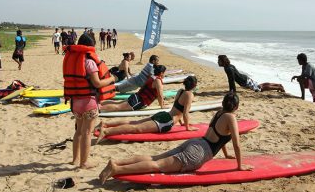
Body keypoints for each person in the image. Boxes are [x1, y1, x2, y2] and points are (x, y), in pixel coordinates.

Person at [99, 92, 253, 184]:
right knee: (158, 165)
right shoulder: (231, 117)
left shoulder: (219, 112)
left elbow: (220, 135)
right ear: (236, 107)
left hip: (197, 142)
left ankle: (117, 162)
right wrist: (240, 166)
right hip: (198, 153)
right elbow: (236, 143)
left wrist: (226, 155)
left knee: (155, 157)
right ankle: (117, 169)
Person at [63, 34, 116, 169]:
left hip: (75, 102)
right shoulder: (89, 62)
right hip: (89, 102)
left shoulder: (71, 59)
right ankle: (84, 163)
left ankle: (75, 160)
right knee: (87, 132)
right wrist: (111, 79)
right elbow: (97, 83)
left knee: (79, 131)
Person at [96, 76, 198, 143]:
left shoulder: (180, 91)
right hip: (166, 121)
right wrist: (187, 127)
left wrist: (181, 123)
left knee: (134, 122)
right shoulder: (189, 95)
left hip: (164, 114)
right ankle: (106, 131)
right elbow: (185, 113)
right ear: (194, 85)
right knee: (137, 128)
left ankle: (106, 124)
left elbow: (176, 107)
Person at [100, 65, 166, 112]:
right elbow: (160, 95)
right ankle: (98, 108)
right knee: (118, 107)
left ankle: (99, 104)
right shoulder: (158, 81)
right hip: (139, 100)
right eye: (164, 73)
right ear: (161, 73)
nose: (164, 74)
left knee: (117, 103)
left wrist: (162, 103)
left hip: (136, 96)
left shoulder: (152, 77)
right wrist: (162, 106)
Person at [217, 55, 285, 93]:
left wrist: (232, 91)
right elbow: (232, 79)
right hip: (245, 78)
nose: (218, 62)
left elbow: (231, 80)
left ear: (223, 61)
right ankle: (278, 85)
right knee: (259, 85)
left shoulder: (228, 68)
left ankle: (278, 87)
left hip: (244, 81)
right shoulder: (229, 66)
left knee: (260, 89)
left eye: (219, 61)